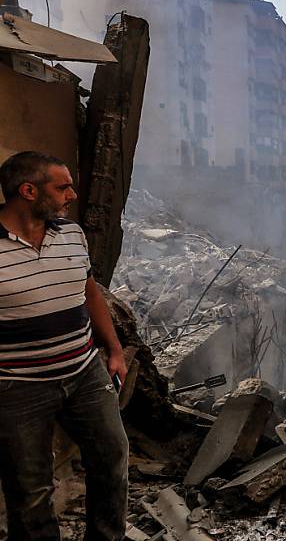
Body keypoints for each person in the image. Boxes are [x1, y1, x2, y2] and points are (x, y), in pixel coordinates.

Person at [0, 152, 128, 540]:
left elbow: (88, 292)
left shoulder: (71, 233)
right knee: (30, 488)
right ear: (28, 190)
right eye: (63, 187)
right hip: (17, 386)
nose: (72, 195)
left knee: (112, 458)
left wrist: (115, 349)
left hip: (84, 373)